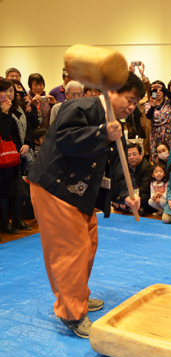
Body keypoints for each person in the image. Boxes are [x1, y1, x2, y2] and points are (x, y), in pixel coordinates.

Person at [27, 72, 144, 338]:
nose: (132, 106)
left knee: (88, 244)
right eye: (130, 99)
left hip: (81, 194)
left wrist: (126, 194)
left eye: (136, 103)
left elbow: (118, 163)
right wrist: (102, 131)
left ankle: (78, 295)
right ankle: (71, 311)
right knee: (72, 250)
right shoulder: (79, 107)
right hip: (55, 187)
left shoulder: (116, 125)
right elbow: (64, 139)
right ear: (111, 92)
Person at [0, 78, 33, 234]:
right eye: (5, 91)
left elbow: (31, 128)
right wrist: (4, 112)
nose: (9, 94)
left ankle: (16, 219)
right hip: (4, 156)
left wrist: (27, 144)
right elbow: (5, 133)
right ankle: (5, 223)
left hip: (17, 156)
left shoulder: (19, 109)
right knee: (4, 191)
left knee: (16, 189)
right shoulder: (4, 110)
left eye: (11, 91)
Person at [144, 80, 171, 162]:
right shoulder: (148, 104)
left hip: (168, 133)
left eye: (159, 90)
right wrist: (153, 106)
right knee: (156, 157)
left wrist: (163, 88)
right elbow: (148, 116)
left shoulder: (169, 103)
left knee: (170, 156)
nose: (157, 92)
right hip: (155, 134)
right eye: (154, 90)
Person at [127, 142, 153, 216]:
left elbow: (145, 187)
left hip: (141, 193)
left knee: (144, 198)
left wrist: (132, 196)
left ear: (141, 154)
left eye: (134, 154)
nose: (131, 157)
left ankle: (129, 207)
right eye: (128, 155)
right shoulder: (126, 165)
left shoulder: (147, 167)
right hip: (131, 193)